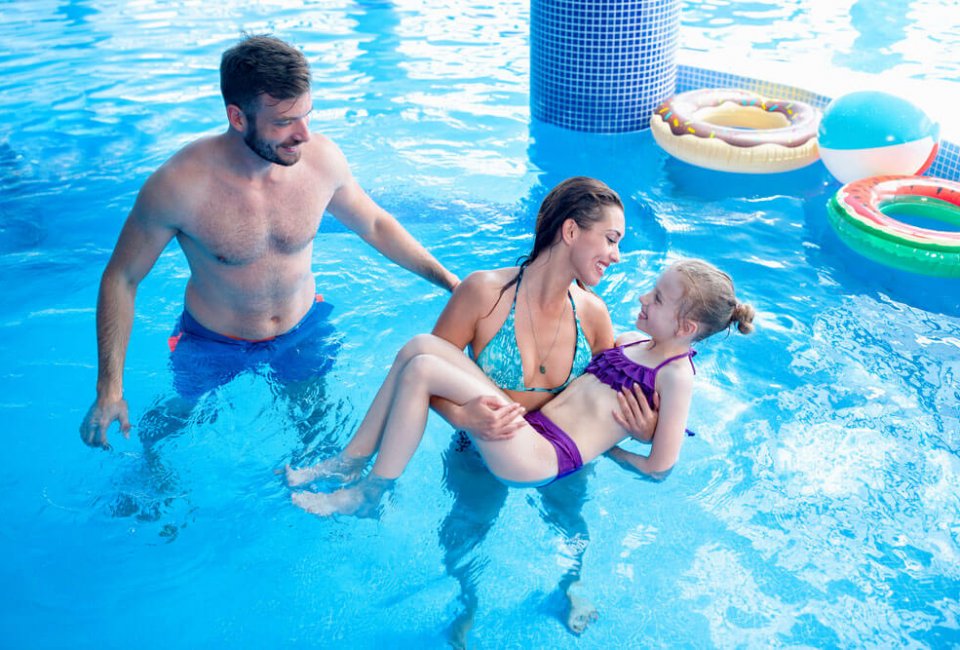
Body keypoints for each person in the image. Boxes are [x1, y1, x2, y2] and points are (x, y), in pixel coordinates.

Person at [289, 257, 754, 626]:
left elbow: (661, 467)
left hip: (546, 456)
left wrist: (614, 447)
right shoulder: (631, 339)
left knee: (427, 370)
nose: (642, 296)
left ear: (687, 327)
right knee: (418, 349)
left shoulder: (676, 377)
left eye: (656, 297)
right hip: (531, 432)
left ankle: (371, 492)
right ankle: (349, 464)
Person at [289, 177, 652, 640]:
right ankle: (467, 603)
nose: (616, 254)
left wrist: (635, 438)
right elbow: (419, 381)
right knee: (464, 532)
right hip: (480, 450)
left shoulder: (593, 314)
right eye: (611, 238)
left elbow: (605, 402)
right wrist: (465, 418)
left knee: (571, 525)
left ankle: (570, 585)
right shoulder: (484, 294)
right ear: (570, 231)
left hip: (555, 457)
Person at [79, 34, 458, 450]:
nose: (304, 135)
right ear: (237, 118)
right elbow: (121, 278)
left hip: (300, 327)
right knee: (175, 420)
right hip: (212, 340)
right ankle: (151, 476)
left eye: (307, 115)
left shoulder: (321, 161)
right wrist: (109, 390)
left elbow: (374, 225)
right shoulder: (178, 187)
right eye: (283, 123)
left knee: (315, 420)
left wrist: (451, 284)